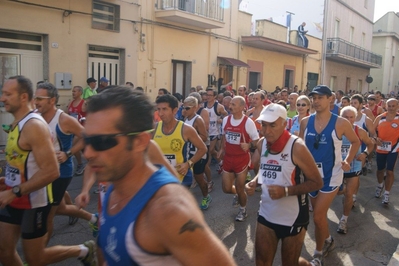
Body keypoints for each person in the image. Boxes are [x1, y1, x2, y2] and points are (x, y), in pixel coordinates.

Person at [82, 87, 236, 265]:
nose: (87, 153)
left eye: (101, 141)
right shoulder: (113, 189)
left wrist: (188, 165)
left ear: (139, 142)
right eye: (86, 139)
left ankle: (205, 196)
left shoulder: (168, 212)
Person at [0, 76, 96, 266]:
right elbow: (22, 160)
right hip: (14, 194)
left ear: (22, 97)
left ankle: (82, 249)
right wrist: (9, 179)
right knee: (4, 251)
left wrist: (68, 153)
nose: (3, 98)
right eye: (3, 93)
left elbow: (53, 171)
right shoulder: (19, 123)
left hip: (36, 195)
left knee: (36, 257)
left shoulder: (37, 125)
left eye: (7, 94)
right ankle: (90, 220)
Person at [246, 103, 323, 266]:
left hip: (293, 217)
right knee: (261, 262)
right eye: (263, 125)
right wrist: (254, 182)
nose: (266, 130)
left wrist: (286, 191)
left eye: (272, 125)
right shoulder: (262, 143)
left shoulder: (297, 147)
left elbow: (317, 182)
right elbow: (266, 170)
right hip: (266, 213)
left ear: (284, 123)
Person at [299, 85, 360, 264]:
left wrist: (348, 160)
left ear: (330, 99)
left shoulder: (340, 122)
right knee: (319, 217)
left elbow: (355, 141)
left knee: (318, 216)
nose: (315, 101)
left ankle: (318, 253)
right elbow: (301, 147)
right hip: (311, 177)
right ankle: (328, 240)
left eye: (320, 98)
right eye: (313, 98)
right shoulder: (305, 122)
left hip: (331, 176)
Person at [34, 82, 99, 241]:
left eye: (40, 98)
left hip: (60, 172)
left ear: (52, 100)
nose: (36, 102)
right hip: (40, 171)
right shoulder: (34, 116)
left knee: (49, 213)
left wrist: (68, 153)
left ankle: (38, 255)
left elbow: (87, 137)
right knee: (60, 208)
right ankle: (93, 218)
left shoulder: (64, 119)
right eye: (35, 98)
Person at [219, 96, 259, 222]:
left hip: (241, 159)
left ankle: (242, 210)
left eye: (234, 104)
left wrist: (249, 145)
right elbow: (224, 136)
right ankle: (239, 194)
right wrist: (221, 149)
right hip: (228, 158)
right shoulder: (226, 120)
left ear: (242, 107)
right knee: (226, 188)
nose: (230, 106)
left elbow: (257, 141)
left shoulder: (248, 122)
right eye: (230, 104)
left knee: (240, 186)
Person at [154, 94, 207, 184]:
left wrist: (188, 164)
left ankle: (206, 194)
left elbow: (203, 149)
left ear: (175, 110)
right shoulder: (154, 128)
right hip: (161, 177)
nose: (160, 113)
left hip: (181, 177)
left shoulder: (186, 129)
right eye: (158, 109)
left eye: (164, 109)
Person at [337, 106, 373, 234]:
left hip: (354, 166)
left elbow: (371, 143)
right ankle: (345, 194)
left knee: (349, 194)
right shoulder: (335, 130)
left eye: (351, 117)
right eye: (345, 117)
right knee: (339, 192)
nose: (349, 119)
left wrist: (364, 153)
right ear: (341, 117)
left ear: (355, 118)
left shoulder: (360, 131)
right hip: (338, 167)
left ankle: (344, 221)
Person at [182, 96, 211, 209]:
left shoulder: (198, 119)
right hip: (189, 152)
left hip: (199, 153)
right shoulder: (186, 119)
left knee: (199, 178)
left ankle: (206, 196)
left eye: (187, 108)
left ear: (194, 108)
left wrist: (191, 137)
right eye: (183, 107)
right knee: (186, 176)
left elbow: (205, 136)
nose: (184, 110)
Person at [373, 99, 399, 204]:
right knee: (380, 170)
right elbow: (372, 131)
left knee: (390, 171)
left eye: (393, 106)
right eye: (389, 106)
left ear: (397, 106)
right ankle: (380, 185)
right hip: (381, 148)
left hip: (394, 148)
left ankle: (387, 193)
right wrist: (375, 138)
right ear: (386, 106)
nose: (391, 108)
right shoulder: (380, 118)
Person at [67, 85, 87, 175]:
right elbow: (67, 115)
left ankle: (80, 164)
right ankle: (91, 163)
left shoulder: (84, 103)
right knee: (83, 149)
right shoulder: (71, 102)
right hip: (72, 129)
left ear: (80, 93)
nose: (73, 93)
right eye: (72, 91)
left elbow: (91, 114)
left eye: (75, 91)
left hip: (81, 129)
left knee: (73, 146)